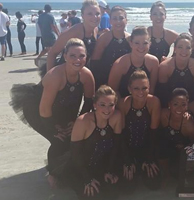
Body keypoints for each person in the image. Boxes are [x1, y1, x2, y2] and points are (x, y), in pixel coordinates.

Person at [10, 38, 95, 187]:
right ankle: (53, 174)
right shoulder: (55, 75)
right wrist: (53, 129)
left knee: (73, 138)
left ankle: (68, 169)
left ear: (86, 57)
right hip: (37, 110)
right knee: (59, 139)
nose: (77, 59)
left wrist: (76, 121)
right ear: (65, 56)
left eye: (81, 56)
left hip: (63, 110)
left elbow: (88, 102)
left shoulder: (87, 76)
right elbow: (44, 109)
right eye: (73, 56)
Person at [66, 85, 121, 199]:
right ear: (95, 105)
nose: (107, 109)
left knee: (116, 192)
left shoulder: (116, 117)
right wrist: (87, 178)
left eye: (111, 105)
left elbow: (116, 146)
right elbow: (75, 154)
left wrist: (110, 170)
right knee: (92, 195)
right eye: (102, 105)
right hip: (78, 168)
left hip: (100, 166)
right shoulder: (83, 121)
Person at [118, 70, 162, 191]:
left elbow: (154, 132)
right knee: (128, 187)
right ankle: (134, 166)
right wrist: (127, 160)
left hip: (146, 148)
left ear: (149, 88)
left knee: (154, 183)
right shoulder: (123, 103)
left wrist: (149, 158)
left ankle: (141, 166)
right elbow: (120, 134)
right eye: (136, 88)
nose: (141, 92)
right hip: (128, 148)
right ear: (129, 89)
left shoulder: (154, 102)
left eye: (144, 88)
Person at [44, 0, 100, 73]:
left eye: (97, 13)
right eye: (90, 14)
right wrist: (50, 77)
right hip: (64, 73)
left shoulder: (95, 30)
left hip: (82, 73)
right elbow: (52, 54)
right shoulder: (73, 32)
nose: (95, 17)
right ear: (82, 16)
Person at [159, 88, 194, 180]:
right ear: (169, 104)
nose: (179, 108)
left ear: (187, 105)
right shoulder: (163, 115)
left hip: (182, 151)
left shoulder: (189, 124)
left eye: (183, 105)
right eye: (175, 104)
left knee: (177, 174)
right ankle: (165, 174)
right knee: (161, 145)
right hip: (167, 149)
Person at [108, 26, 159, 99]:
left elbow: (151, 89)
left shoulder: (153, 62)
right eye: (137, 43)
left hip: (145, 101)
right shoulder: (120, 64)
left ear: (150, 44)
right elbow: (112, 90)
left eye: (145, 43)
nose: (141, 47)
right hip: (123, 102)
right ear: (131, 44)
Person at [157, 33, 194, 108]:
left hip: (189, 104)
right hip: (169, 104)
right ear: (175, 49)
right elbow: (163, 94)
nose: (184, 51)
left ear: (191, 50)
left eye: (188, 48)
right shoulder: (165, 67)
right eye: (180, 47)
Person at [91, 6, 131, 90]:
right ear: (110, 21)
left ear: (126, 20)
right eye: (115, 18)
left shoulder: (130, 39)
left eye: (121, 18)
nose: (118, 21)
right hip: (105, 79)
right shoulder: (104, 38)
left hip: (126, 79)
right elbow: (95, 62)